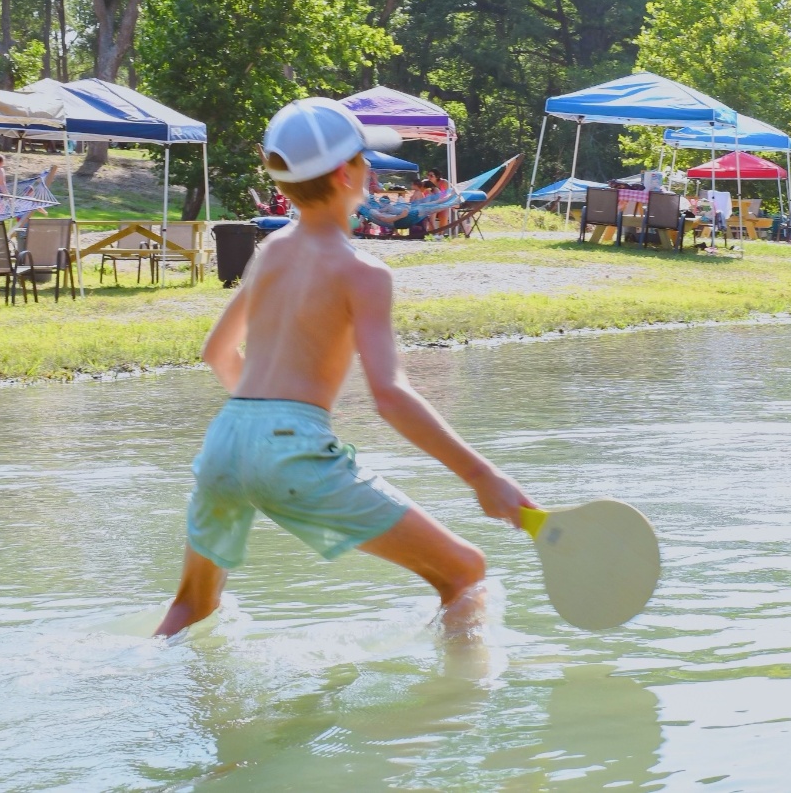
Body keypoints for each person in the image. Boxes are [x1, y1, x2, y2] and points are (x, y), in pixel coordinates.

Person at [155, 98, 535, 639]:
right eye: (366, 158)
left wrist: (257, 433)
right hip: (291, 449)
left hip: (225, 440)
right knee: (464, 573)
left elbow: (217, 353)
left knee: (191, 608)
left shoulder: (269, 252)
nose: (372, 168)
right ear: (345, 173)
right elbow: (391, 396)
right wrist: (481, 475)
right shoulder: (364, 272)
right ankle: (456, 711)